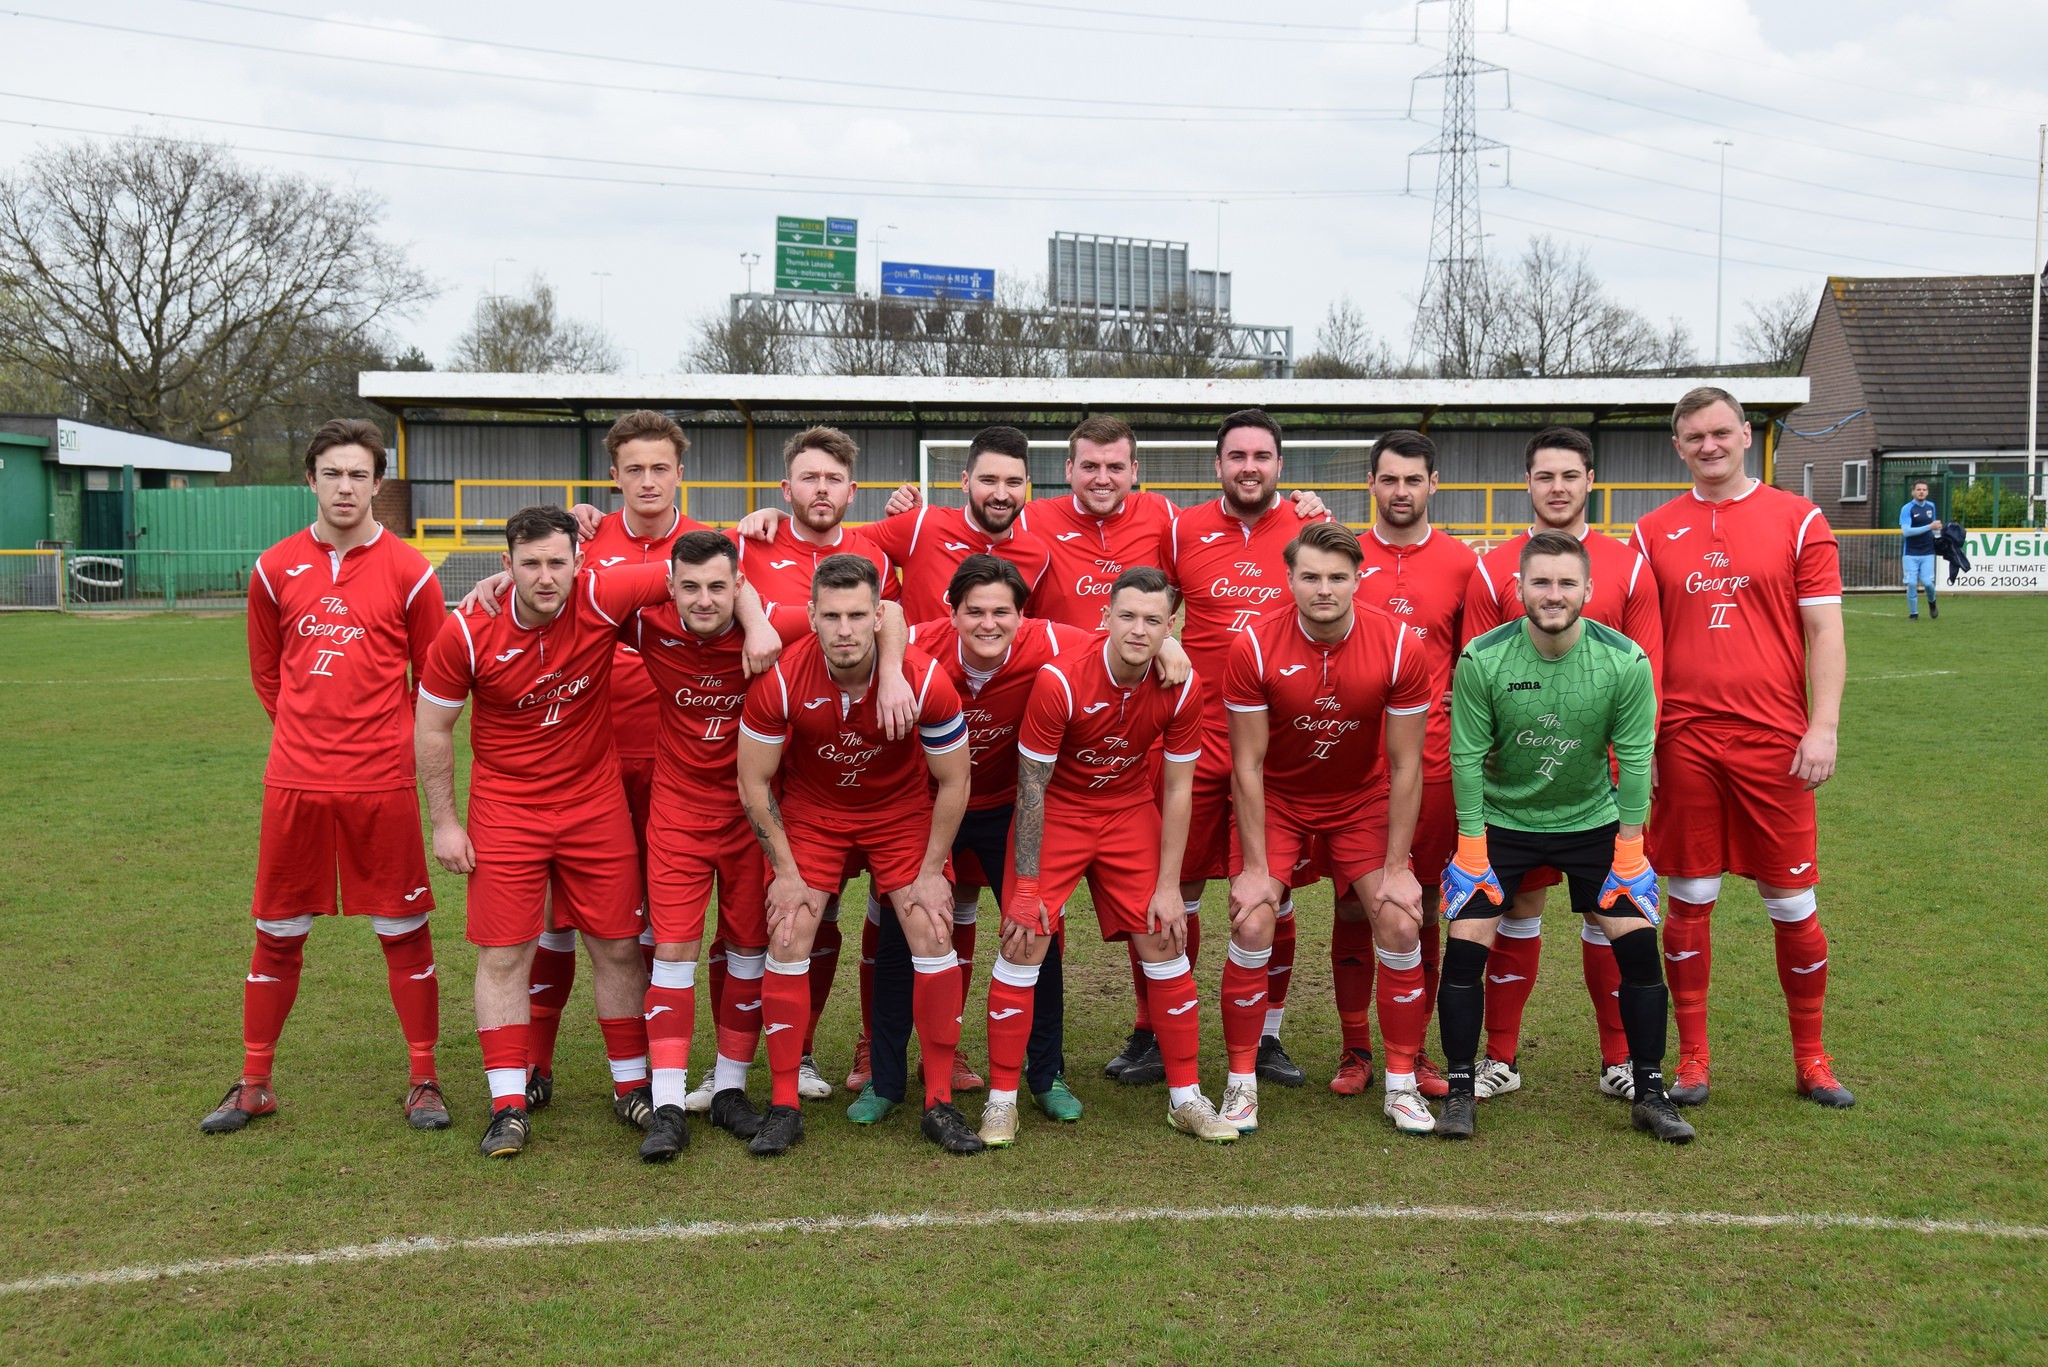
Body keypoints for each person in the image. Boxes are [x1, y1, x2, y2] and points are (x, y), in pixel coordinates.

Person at [202, 418, 451, 1136]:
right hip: (296, 784)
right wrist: (313, 736)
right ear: (310, 479)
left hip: (383, 785)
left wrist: (381, 740)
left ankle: (424, 1079)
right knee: (276, 932)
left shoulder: (411, 571)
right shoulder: (274, 566)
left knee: (404, 930)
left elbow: (432, 682)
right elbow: (266, 673)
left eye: (359, 475)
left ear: (380, 484)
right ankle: (253, 1082)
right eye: (332, 473)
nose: (346, 487)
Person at [415, 506, 677, 1158]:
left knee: (618, 945)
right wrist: (445, 822)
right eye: (530, 563)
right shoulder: (468, 630)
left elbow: (706, 572)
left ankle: (630, 1087)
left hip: (594, 802)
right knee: (504, 953)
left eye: (557, 562)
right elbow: (432, 727)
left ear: (579, 562)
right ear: (505, 567)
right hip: (507, 809)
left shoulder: (602, 592)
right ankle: (508, 1104)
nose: (545, 576)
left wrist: (756, 615)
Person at [1629, 387, 1854, 1110]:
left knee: (1793, 900)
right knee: (1689, 895)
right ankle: (1693, 1058)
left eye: (1721, 431)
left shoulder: (1799, 519)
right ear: (1678, 446)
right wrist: (1647, 742)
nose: (1710, 445)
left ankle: (1812, 1058)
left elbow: (1825, 631)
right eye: (1694, 436)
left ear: (1747, 435)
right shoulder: (1652, 530)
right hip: (1685, 740)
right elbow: (1641, 648)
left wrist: (1823, 726)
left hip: (1775, 741)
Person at [1436, 531, 1694, 1144]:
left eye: (1566, 583)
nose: (1553, 595)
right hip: (1500, 824)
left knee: (1636, 945)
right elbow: (1466, 758)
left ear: (1588, 590)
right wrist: (1472, 847)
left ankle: (1651, 1090)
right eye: (1541, 582)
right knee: (1466, 944)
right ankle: (1461, 1088)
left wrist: (1629, 850)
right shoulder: (1482, 658)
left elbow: (1635, 761)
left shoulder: (1624, 661)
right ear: (1519, 588)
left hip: (1591, 822)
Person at [736, 553, 981, 1156]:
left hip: (898, 814)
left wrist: (930, 872)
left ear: (879, 617)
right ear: (811, 618)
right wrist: (786, 874)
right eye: (831, 616)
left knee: (932, 931)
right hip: (817, 815)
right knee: (789, 932)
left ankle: (939, 1101)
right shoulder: (784, 679)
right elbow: (753, 783)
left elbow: (954, 782)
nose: (844, 629)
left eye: (856, 615)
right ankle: (784, 1103)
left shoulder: (923, 679)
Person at [1111, 408, 1326, 1094]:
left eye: (1262, 455)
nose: (1249, 467)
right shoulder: (1181, 527)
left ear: (1280, 466)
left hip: (1280, 746)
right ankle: (1152, 1028)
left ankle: (1267, 1034)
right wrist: (1167, 636)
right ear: (1218, 466)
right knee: (1175, 887)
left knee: (1273, 893)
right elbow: (1150, 598)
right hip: (1195, 740)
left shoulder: (1309, 529)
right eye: (1237, 456)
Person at [1461, 426, 1665, 1102]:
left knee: (1609, 912)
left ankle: (1621, 1060)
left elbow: (1645, 669)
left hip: (1600, 785)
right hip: (1515, 785)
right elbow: (1478, 669)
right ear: (1528, 482)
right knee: (1513, 906)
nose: (1557, 487)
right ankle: (1498, 1056)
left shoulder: (1628, 563)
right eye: (1544, 475)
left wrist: (1633, 769)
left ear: (1589, 480)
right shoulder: (1492, 566)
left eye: (1569, 475)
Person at [1003, 567, 1239, 1143]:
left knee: (1163, 934)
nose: (1139, 629)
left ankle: (1185, 1097)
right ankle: (1001, 1099)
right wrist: (1028, 884)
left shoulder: (1182, 683)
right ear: (1103, 618)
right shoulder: (1061, 679)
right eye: (1127, 616)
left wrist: (1167, 884)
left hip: (1129, 810)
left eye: (1154, 620)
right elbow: (1031, 785)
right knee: (1024, 936)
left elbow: (1179, 788)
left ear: (1171, 626)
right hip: (1059, 810)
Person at [626, 530, 833, 1160]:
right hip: (679, 815)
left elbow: (885, 614)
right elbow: (570, 601)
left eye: (719, 586)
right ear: (671, 588)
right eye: (690, 587)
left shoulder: (779, 625)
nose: (704, 599)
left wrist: (761, 621)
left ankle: (730, 1090)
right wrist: (489, 593)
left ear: (740, 585)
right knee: (675, 952)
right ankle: (665, 1104)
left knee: (749, 947)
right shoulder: (647, 628)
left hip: (755, 814)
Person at [1226, 522, 1433, 1134]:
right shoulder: (1255, 646)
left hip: (1358, 800)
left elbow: (1404, 764)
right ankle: (1240, 1084)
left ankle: (1400, 1084)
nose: (1324, 589)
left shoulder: (1398, 645)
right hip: (1281, 800)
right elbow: (1248, 765)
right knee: (1254, 917)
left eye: (1337, 577)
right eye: (1310, 576)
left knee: (1399, 920)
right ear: (1288, 578)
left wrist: (1397, 869)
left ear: (1357, 578)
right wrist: (1257, 870)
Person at [908, 556, 1115, 1142]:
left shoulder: (1049, 640)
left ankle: (1046, 1075)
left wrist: (1169, 650)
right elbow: (879, 619)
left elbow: (1120, 637)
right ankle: (883, 1075)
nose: (988, 622)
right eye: (974, 610)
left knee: (1035, 929)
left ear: (1023, 618)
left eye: (1002, 611)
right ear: (951, 615)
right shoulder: (918, 646)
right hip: (931, 806)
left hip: (1010, 807)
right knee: (913, 925)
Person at [733, 426, 903, 1101]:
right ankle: (744, 1058)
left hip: (842, 763)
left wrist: (891, 672)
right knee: (765, 918)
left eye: (833, 479)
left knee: (828, 912)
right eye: (809, 478)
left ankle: (809, 1052)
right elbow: (709, 572)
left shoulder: (872, 550)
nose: (821, 489)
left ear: (851, 490)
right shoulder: (753, 538)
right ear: (786, 489)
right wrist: (754, 620)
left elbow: (892, 614)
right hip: (762, 756)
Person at [1347, 431, 1477, 1099]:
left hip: (1429, 760)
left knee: (1418, 897)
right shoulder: (1342, 554)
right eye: (1389, 478)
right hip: (1350, 757)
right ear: (1371, 482)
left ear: (1433, 485)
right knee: (1350, 902)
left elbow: (1476, 661)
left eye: (1413, 479)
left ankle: (1414, 1044)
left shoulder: (1461, 562)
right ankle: (1354, 1046)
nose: (1401, 490)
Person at [1900, 479, 1941, 620]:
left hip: (1928, 552)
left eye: (1924, 489)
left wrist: (1938, 534)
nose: (1921, 492)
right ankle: (1914, 613)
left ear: (1927, 492)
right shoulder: (1907, 508)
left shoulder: (1931, 507)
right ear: (1913, 492)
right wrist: (1929, 527)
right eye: (1918, 489)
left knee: (1928, 583)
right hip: (1910, 553)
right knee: (1911, 583)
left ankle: (1932, 603)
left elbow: (1934, 527)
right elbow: (1907, 532)